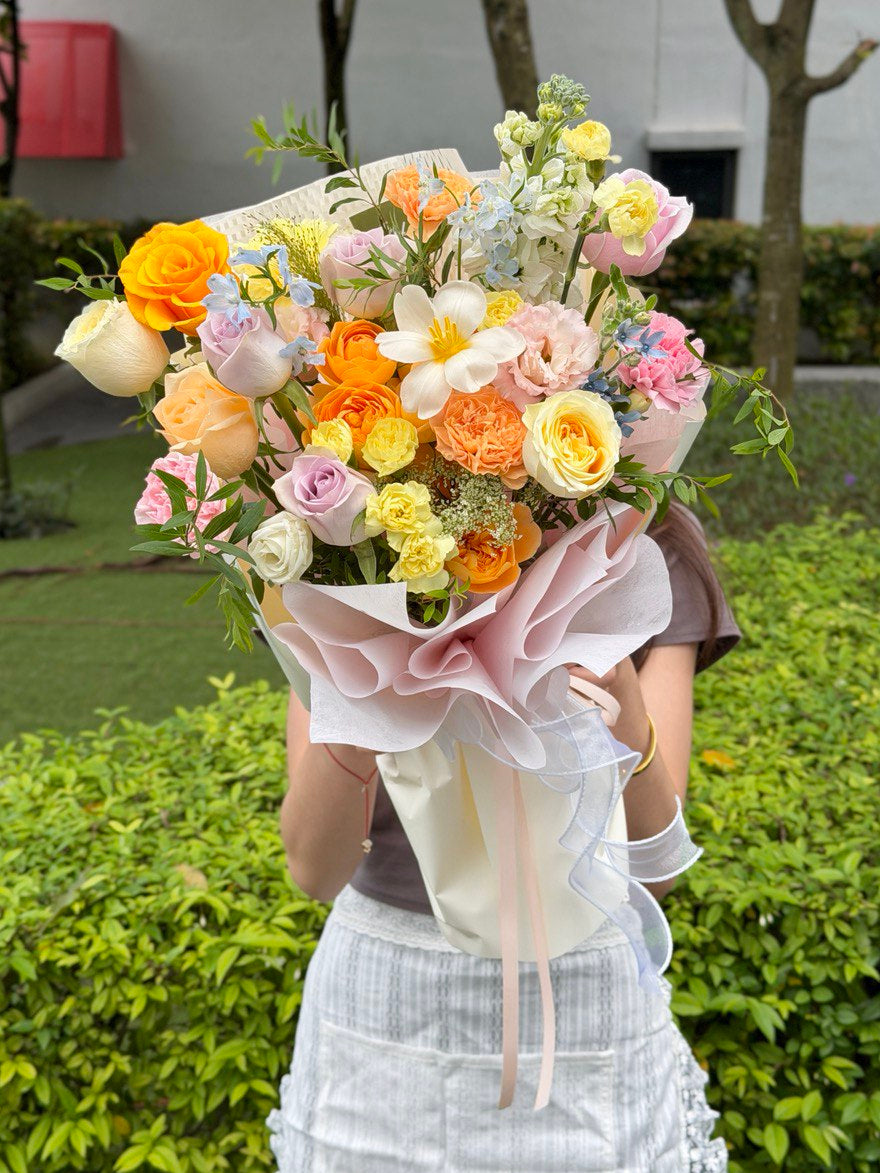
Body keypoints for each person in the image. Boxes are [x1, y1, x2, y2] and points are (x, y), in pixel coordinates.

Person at [268, 503, 740, 1172]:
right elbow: (315, 868)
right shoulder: (352, 531)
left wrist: (620, 697)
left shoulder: (645, 535)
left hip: (582, 1002)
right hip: (384, 1015)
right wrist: (366, 674)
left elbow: (652, 868)